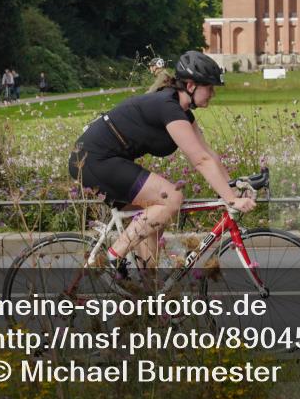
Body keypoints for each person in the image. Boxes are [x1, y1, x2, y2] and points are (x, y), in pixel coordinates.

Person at [68, 51, 256, 279]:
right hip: (94, 159)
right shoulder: (168, 107)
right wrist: (231, 199)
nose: (213, 93)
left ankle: (148, 297)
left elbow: (210, 155)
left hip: (105, 160)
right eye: (210, 87)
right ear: (191, 85)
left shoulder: (182, 112)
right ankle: (114, 255)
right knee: (171, 198)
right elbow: (200, 160)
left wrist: (234, 188)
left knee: (153, 223)